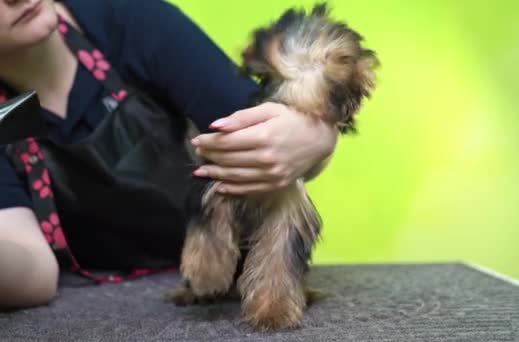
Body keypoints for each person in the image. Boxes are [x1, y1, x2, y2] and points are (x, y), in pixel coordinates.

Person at [0, 0, 338, 309]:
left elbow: (272, 135)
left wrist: (318, 137)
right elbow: (35, 275)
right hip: (106, 305)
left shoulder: (130, 19)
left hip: (229, 280)